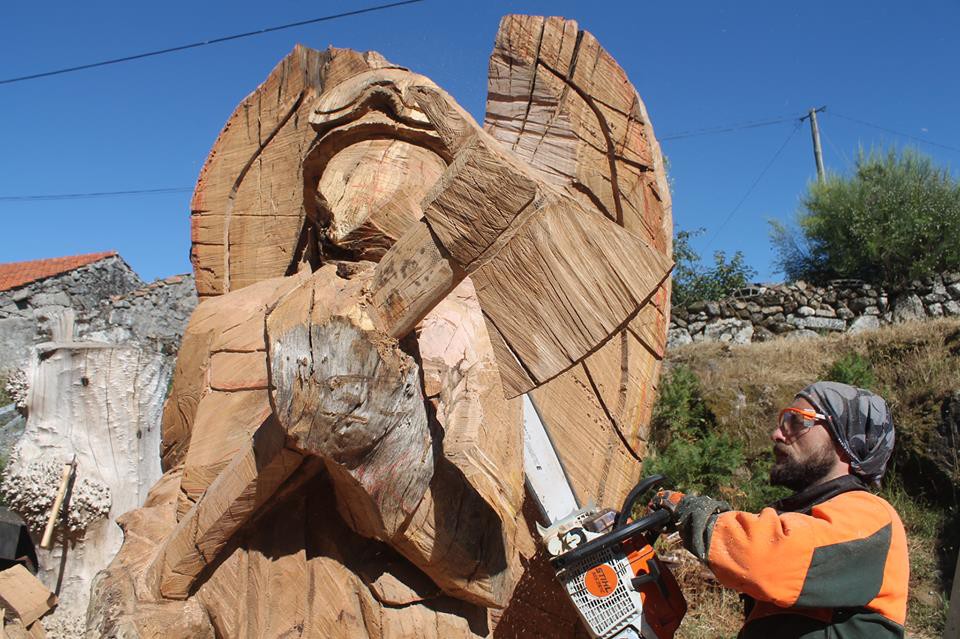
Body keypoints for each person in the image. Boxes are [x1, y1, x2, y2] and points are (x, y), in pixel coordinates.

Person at [652, 381, 908, 638]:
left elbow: (764, 557)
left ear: (846, 438)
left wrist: (693, 514)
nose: (777, 433)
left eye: (797, 422)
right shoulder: (807, 523)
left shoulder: (871, 514)